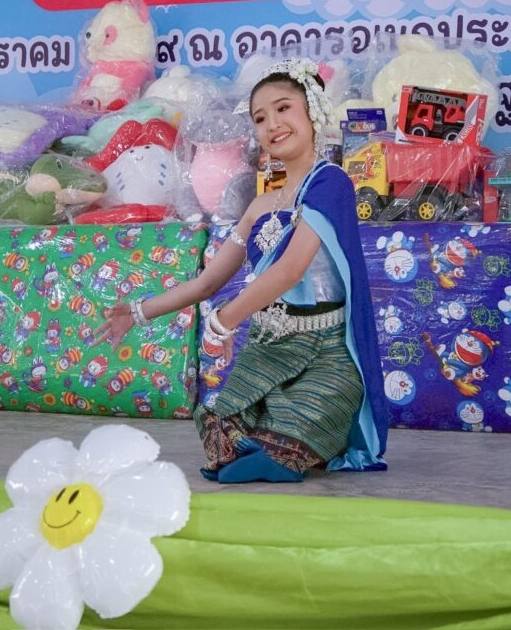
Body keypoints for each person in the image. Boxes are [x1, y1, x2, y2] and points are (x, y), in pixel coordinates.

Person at [95, 58, 387, 482]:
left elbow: (289, 271)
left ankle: (291, 444)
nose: (272, 124)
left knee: (294, 433)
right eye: (260, 118)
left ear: (312, 112)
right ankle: (280, 443)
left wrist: (223, 320)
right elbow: (208, 282)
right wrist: (139, 312)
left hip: (327, 354)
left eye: (283, 108)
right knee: (219, 431)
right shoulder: (259, 206)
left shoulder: (330, 182)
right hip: (269, 350)